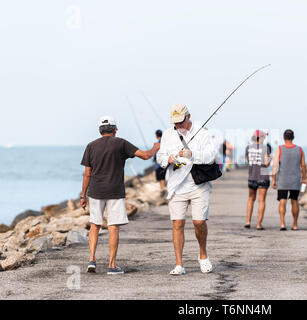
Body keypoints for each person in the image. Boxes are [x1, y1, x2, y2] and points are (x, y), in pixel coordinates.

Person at [80, 116, 159, 275]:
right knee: (113, 226)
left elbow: (87, 174)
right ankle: (111, 265)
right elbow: (144, 155)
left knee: (95, 225)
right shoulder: (121, 143)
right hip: (115, 192)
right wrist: (155, 148)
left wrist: (83, 196)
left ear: (99, 131)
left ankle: (92, 260)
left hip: (95, 192)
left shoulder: (91, 146)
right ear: (115, 129)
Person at [157, 104, 216, 275]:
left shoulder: (202, 133)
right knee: (178, 223)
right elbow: (160, 157)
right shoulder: (168, 135)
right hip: (176, 185)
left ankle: (203, 255)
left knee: (199, 222)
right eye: (175, 123)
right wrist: (167, 159)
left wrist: (192, 154)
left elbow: (211, 156)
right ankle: (179, 264)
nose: (178, 126)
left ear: (188, 117)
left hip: (198, 184)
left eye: (181, 122)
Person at [271, 129, 307, 231]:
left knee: (282, 201)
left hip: (283, 180)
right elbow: (303, 165)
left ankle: (282, 224)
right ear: (293, 137)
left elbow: (275, 165)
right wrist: (304, 178)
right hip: (295, 180)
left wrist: (273, 179)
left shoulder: (280, 149)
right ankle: (295, 225)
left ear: (284, 137)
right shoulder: (299, 149)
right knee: (294, 201)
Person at [244, 130, 271, 230]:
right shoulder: (265, 148)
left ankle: (248, 221)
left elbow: (249, 161)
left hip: (252, 176)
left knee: (251, 199)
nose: (265, 138)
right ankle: (259, 224)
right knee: (261, 200)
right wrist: (270, 159)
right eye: (264, 136)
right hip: (263, 176)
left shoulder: (248, 148)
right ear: (261, 138)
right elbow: (267, 163)